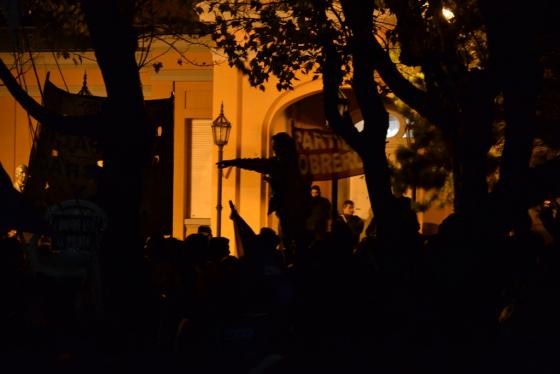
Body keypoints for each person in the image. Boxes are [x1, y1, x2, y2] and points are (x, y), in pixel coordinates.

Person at [217, 132, 311, 261]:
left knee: (293, 242)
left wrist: (275, 182)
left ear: (284, 148)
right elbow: (254, 163)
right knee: (290, 242)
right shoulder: (292, 163)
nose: (274, 150)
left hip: (294, 210)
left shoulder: (294, 165)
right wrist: (233, 162)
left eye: (276, 147)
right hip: (287, 210)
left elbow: (293, 185)